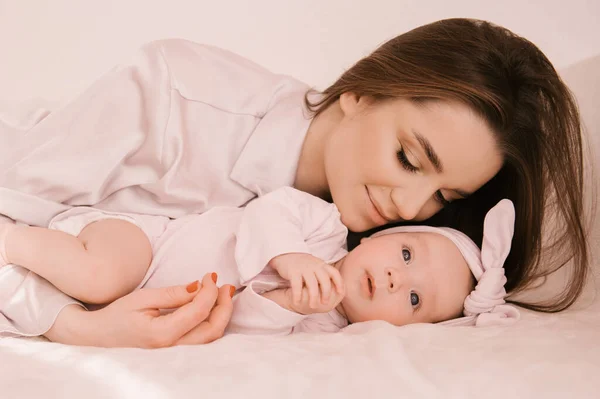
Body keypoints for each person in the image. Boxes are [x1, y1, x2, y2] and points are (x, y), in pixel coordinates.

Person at [0, 18, 588, 347]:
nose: (410, 206)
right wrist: (74, 325)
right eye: (409, 158)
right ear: (360, 91)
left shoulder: (354, 268)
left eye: (443, 197)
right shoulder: (170, 95)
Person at [0, 187, 519, 334]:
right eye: (405, 254)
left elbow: (235, 317)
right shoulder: (324, 227)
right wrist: (290, 258)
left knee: (95, 296)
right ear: (381, 236)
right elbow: (268, 208)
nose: (392, 276)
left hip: (143, 300)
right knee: (101, 275)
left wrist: (286, 304)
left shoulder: (320, 327)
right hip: (141, 243)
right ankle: (12, 238)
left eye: (412, 297)